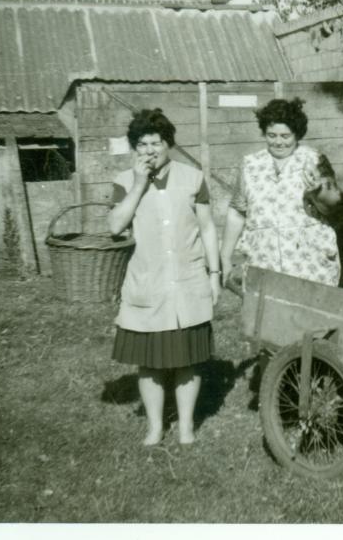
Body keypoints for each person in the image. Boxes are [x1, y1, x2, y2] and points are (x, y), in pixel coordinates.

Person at [108, 108, 221, 446]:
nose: (149, 151)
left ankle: (186, 426)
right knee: (150, 363)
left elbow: (208, 229)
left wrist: (214, 274)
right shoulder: (124, 182)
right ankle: (155, 427)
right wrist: (140, 184)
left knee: (189, 360)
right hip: (148, 284)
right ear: (134, 148)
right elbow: (115, 227)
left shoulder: (193, 178)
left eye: (156, 143)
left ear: (169, 144)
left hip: (188, 283)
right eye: (142, 144)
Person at [220, 98, 342, 288]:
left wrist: (317, 192)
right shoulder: (250, 164)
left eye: (285, 136)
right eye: (272, 135)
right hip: (263, 260)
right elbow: (237, 212)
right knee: (265, 315)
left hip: (309, 261)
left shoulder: (314, 159)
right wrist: (225, 256)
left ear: (297, 134)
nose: (278, 142)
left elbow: (333, 203)